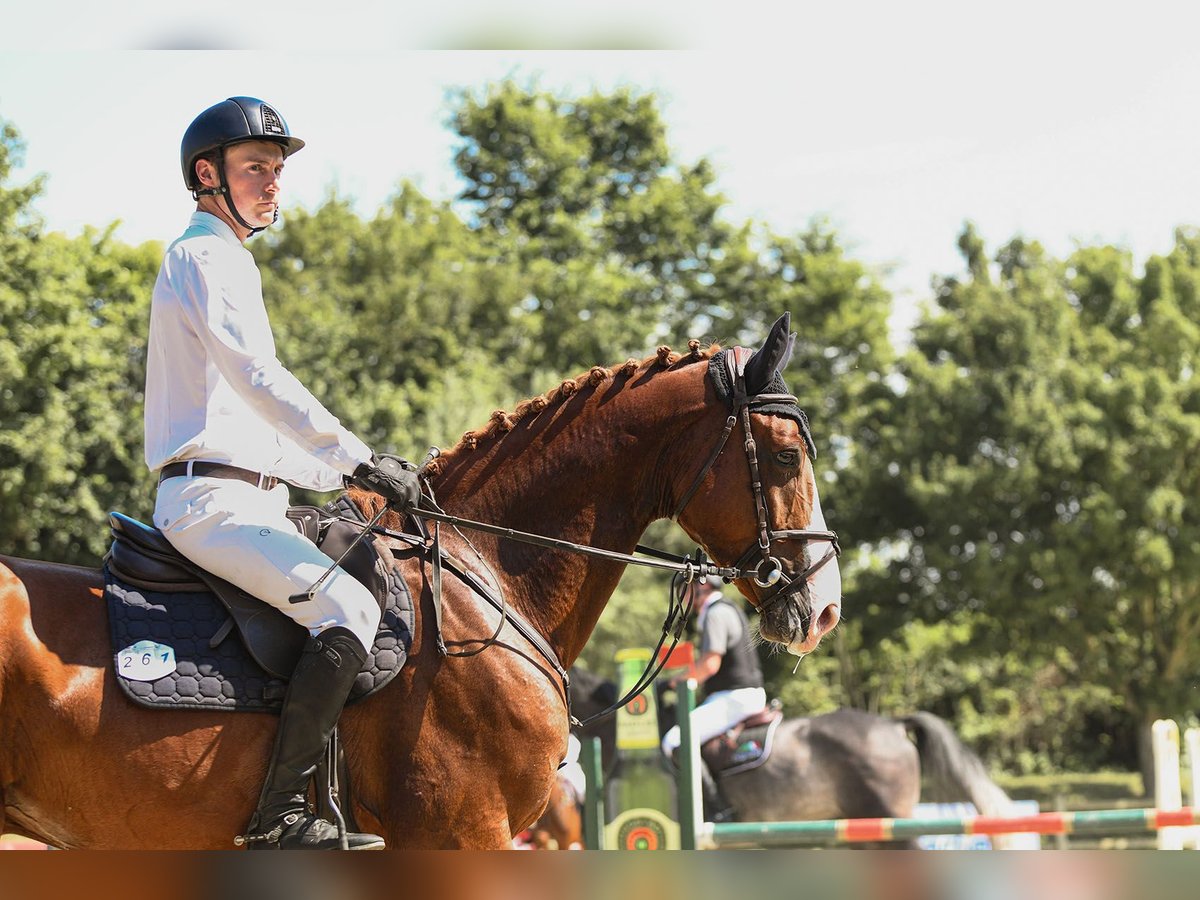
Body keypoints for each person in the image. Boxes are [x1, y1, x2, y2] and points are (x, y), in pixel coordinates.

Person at [145, 96, 420, 850]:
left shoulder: (227, 261)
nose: (274, 183)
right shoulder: (204, 256)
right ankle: (276, 821)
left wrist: (353, 480)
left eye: (277, 170)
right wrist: (356, 456)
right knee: (352, 612)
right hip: (210, 500)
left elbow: (257, 427)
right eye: (256, 168)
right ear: (208, 175)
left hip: (250, 493)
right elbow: (260, 377)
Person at [660, 574, 767, 822]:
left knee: (675, 741)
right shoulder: (728, 608)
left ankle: (718, 810)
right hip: (736, 695)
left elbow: (709, 664)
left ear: (702, 586)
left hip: (734, 697)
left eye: (685, 591)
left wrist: (672, 683)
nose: (682, 598)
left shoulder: (715, 613)